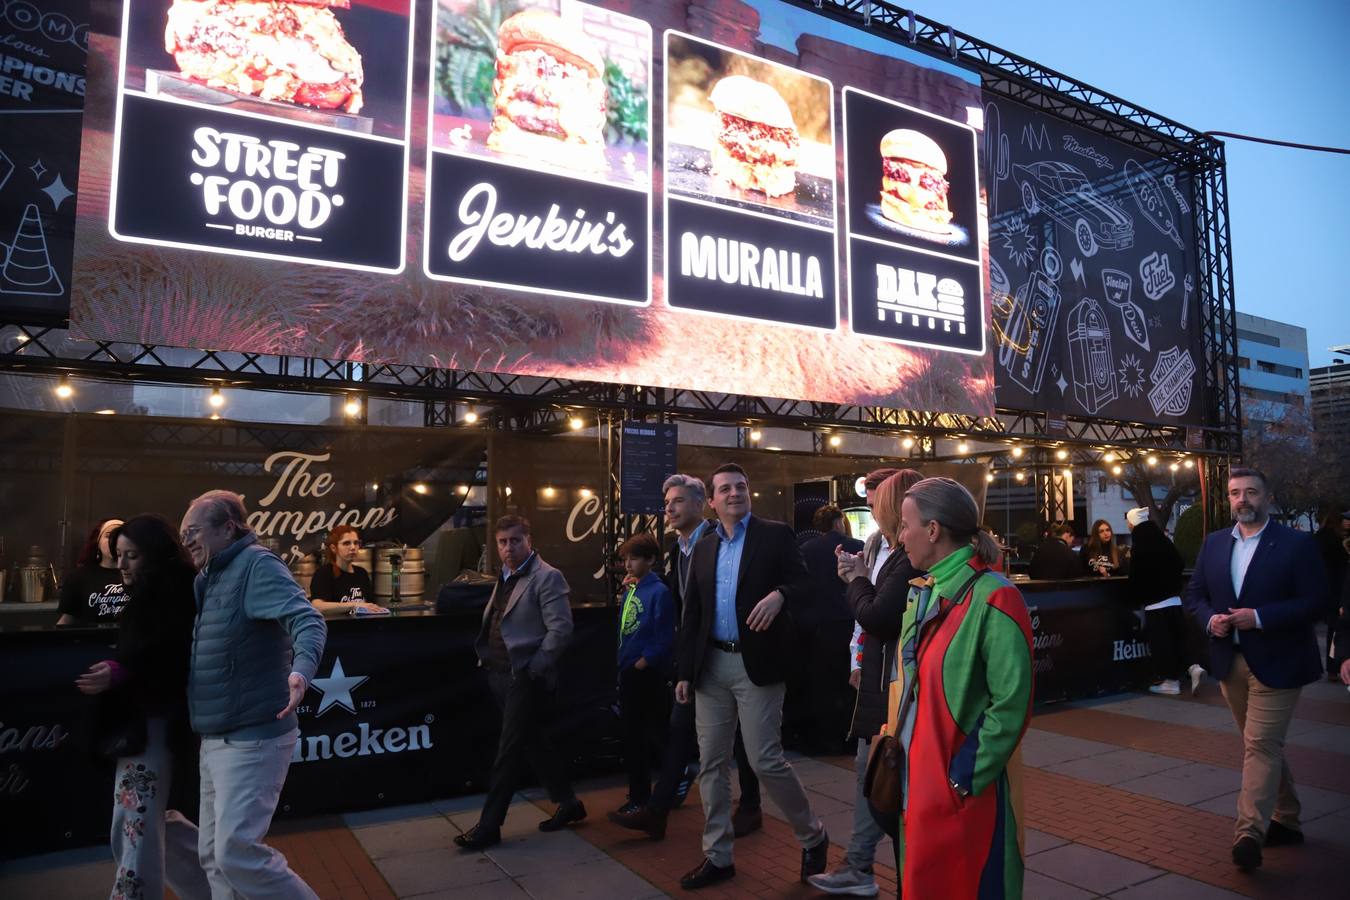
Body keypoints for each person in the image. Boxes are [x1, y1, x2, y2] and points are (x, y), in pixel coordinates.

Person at [674, 463, 829, 891]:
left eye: (740, 486)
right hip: (711, 667)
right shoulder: (703, 548)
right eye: (724, 489)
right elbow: (693, 615)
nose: (734, 494)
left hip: (757, 665)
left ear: (749, 492)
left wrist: (781, 595)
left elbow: (806, 585)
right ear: (711, 500)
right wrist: (684, 671)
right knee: (711, 764)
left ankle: (813, 835)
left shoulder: (774, 534)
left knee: (764, 760)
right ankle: (718, 856)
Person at [890, 477, 1034, 899]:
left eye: (904, 525)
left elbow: (1013, 702)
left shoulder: (996, 596)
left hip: (963, 796)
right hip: (919, 788)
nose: (900, 538)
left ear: (932, 530)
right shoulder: (924, 591)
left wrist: (964, 776)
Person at [180, 490, 327, 899]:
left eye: (194, 531)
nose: (187, 541)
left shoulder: (257, 565)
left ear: (228, 528)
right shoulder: (207, 577)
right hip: (215, 737)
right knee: (212, 855)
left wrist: (301, 672)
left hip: (253, 736)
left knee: (235, 853)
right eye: (183, 534)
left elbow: (308, 620)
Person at [1182, 468, 1329, 872]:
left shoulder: (1296, 544)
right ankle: (1289, 816)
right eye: (1234, 493)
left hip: (1279, 662)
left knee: (1260, 745)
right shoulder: (1213, 544)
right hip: (1230, 662)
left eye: (1250, 492)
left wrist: (1260, 617)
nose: (1242, 499)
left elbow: (1317, 602)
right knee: (1260, 743)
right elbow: (1194, 595)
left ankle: (1249, 833)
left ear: (1267, 496)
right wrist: (1210, 619)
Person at [610, 473, 762, 840]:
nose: (669, 509)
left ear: (700, 503)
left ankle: (752, 806)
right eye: (667, 503)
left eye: (677, 501)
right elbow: (683, 603)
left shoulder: (719, 540)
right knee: (681, 731)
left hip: (729, 654)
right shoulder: (680, 548)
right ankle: (658, 812)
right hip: (695, 659)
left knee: (744, 739)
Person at [76, 515, 211, 900]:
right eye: (119, 555)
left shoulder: (168, 593)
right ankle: (220, 890)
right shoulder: (168, 589)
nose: (120, 565)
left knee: (135, 819)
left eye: (131, 556)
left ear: (153, 554)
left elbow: (170, 655)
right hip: (155, 723)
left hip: (152, 722)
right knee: (150, 819)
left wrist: (122, 671)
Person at [809, 468, 923, 896]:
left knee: (881, 775)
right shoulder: (886, 548)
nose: (872, 509)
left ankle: (874, 868)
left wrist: (856, 580)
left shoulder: (906, 557)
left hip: (895, 685)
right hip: (881, 677)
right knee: (874, 772)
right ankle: (866, 866)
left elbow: (876, 613)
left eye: (877, 501)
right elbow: (873, 616)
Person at [456, 515, 584, 851]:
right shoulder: (505, 575)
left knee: (509, 750)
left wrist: (534, 668)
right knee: (531, 741)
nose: (508, 548)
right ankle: (569, 803)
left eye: (514, 541)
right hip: (498, 672)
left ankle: (489, 825)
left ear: (528, 540)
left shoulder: (547, 576)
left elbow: (561, 630)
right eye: (502, 542)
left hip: (524, 676)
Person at [793, 504, 864, 754]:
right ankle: (849, 735)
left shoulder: (805, 550)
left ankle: (823, 738)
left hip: (816, 625)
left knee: (821, 682)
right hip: (847, 620)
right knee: (848, 682)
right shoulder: (857, 546)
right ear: (838, 523)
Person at [613, 532, 674, 816]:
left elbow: (664, 635)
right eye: (626, 558)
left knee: (641, 735)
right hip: (630, 669)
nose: (628, 564)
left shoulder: (658, 591)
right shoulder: (634, 589)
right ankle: (645, 792)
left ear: (651, 559)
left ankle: (642, 796)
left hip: (644, 673)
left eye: (634, 558)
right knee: (635, 735)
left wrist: (643, 662)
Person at [1124, 507, 1204, 695]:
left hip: (1155, 604)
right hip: (1174, 601)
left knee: (1162, 644)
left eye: (1128, 521)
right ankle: (1193, 667)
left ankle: (1170, 682)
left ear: (1133, 523)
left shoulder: (1139, 544)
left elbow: (1136, 576)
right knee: (1178, 640)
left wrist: (1135, 595)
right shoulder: (1163, 540)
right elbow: (1179, 562)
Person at [57, 517, 127, 625]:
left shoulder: (137, 575)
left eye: (119, 536)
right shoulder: (78, 577)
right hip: (93, 640)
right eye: (108, 535)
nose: (114, 541)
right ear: (98, 542)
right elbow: (67, 620)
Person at [308, 525, 385, 614]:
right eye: (346, 543)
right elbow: (317, 606)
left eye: (356, 543)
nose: (353, 547)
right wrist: (353, 605)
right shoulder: (324, 573)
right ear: (334, 548)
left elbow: (370, 604)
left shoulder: (361, 573)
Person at [1312, 511, 1347, 678]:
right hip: (1337, 588)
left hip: (1330, 588)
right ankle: (1336, 666)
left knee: (1335, 629)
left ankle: (1333, 667)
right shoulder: (1336, 540)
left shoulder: (1320, 537)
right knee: (1338, 628)